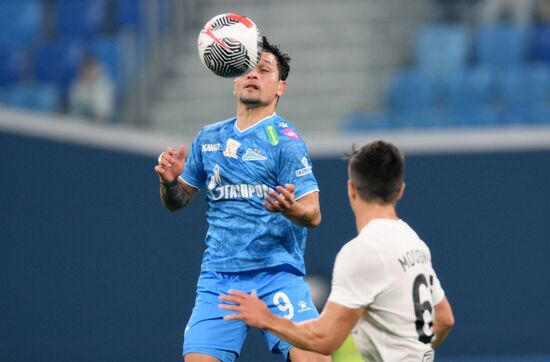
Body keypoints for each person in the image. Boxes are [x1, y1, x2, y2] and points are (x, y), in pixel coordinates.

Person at [154, 37, 330, 362]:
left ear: (280, 87)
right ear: (234, 81)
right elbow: (177, 201)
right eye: (247, 69)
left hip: (275, 272)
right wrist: (168, 183)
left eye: (264, 70)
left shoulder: (286, 143)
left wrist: (292, 209)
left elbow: (314, 214)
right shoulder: (209, 138)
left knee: (315, 358)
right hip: (220, 277)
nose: (253, 75)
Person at [220, 141, 455, 361]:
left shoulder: (363, 251)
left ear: (351, 189)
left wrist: (267, 319)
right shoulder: (412, 240)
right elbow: (444, 319)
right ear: (400, 190)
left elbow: (325, 339)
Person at [68, 54, 115, 123]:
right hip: (79, 123)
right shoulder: (77, 84)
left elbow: (103, 113)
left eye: (90, 69)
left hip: (100, 125)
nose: (87, 72)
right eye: (84, 69)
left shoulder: (104, 85)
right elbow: (74, 106)